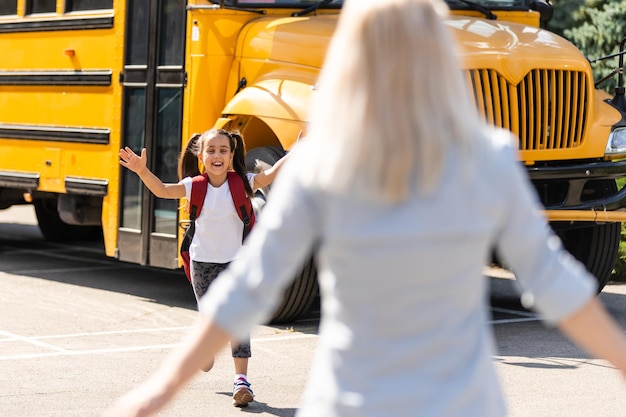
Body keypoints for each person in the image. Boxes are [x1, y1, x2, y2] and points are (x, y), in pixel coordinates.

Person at [105, 0, 626, 416]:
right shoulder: (483, 159)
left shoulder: (323, 164)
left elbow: (251, 286)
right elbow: (553, 281)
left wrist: (159, 390)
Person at [118, 128, 289, 407]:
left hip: (236, 264)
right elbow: (162, 190)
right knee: (211, 319)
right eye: (211, 150)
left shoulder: (243, 183)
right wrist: (141, 170)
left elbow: (269, 175)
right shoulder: (193, 185)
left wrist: (294, 154)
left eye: (223, 150)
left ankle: (241, 381)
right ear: (200, 155)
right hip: (202, 264)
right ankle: (205, 347)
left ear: (232, 155)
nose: (217, 155)